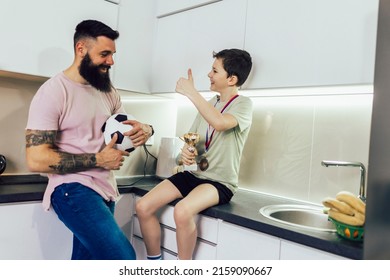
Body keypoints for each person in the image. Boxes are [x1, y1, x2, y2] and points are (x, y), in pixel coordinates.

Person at [25, 19, 154, 260]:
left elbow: (120, 140)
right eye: (104, 54)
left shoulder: (108, 91)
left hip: (105, 188)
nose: (111, 61)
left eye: (113, 54)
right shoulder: (53, 92)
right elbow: (35, 158)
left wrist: (146, 131)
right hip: (71, 189)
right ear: (81, 49)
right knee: (123, 258)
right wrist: (98, 159)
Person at [136, 49, 253, 260]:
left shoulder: (243, 104)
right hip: (195, 175)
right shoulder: (210, 104)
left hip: (219, 182)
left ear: (232, 79)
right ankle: (154, 262)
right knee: (143, 206)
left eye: (215, 70)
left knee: (181, 211)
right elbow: (195, 141)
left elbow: (220, 122)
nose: (209, 74)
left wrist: (191, 92)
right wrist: (188, 153)